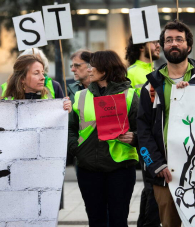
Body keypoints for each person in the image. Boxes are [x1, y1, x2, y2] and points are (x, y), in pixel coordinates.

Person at [137, 20, 195, 227]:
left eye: (179, 40)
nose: (174, 44)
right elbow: (143, 130)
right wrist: (155, 164)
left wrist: (191, 92)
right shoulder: (151, 85)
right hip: (165, 174)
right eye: (169, 40)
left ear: (189, 46)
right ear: (162, 46)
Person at [68, 50, 139, 226]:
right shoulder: (80, 96)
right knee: (96, 220)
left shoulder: (130, 95)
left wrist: (135, 137)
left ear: (105, 70)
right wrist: (75, 148)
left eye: (93, 66)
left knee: (118, 220)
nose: (89, 70)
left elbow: (144, 129)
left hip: (120, 169)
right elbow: (71, 128)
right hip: (89, 168)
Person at [125, 36, 161, 227]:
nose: (158, 46)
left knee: (151, 188)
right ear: (141, 46)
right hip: (143, 138)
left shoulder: (157, 71)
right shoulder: (131, 72)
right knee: (151, 187)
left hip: (157, 137)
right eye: (153, 42)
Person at [2, 55, 71, 110]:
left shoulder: (50, 94)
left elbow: (62, 124)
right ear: (22, 78)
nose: (43, 77)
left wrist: (66, 110)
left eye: (42, 73)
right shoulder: (6, 103)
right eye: (36, 73)